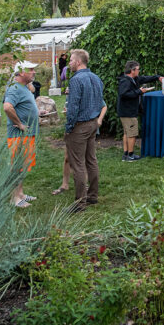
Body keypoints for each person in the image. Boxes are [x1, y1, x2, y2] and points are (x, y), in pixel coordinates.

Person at [64, 49, 107, 211]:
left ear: (78, 62)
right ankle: (93, 196)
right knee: (91, 160)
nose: (69, 63)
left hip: (80, 126)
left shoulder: (76, 80)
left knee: (79, 164)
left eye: (71, 60)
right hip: (93, 123)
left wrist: (69, 128)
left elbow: (73, 108)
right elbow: (99, 101)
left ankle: (80, 203)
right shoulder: (96, 78)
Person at [3, 61, 40, 208]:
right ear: (21, 72)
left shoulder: (24, 87)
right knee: (16, 166)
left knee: (22, 165)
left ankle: (21, 194)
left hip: (27, 134)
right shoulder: (14, 88)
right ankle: (14, 198)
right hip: (18, 134)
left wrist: (37, 112)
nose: (34, 72)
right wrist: (19, 124)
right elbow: (7, 107)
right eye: (31, 69)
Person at [117, 60, 162, 162]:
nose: (139, 71)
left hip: (126, 111)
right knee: (132, 133)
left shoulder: (134, 79)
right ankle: (131, 155)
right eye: (137, 69)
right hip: (128, 112)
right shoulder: (125, 81)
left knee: (127, 133)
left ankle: (126, 154)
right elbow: (123, 94)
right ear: (132, 70)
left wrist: (157, 77)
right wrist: (139, 92)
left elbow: (145, 78)